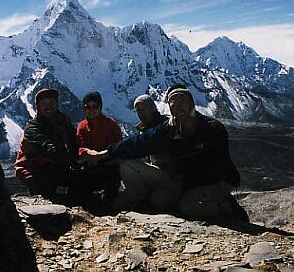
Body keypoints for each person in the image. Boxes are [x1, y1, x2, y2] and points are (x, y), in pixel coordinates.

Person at [81, 85, 248, 221]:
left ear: (192, 104)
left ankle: (227, 206)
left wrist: (184, 181)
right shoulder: (170, 128)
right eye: (172, 103)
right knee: (160, 200)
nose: (176, 106)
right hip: (182, 180)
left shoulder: (213, 128)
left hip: (215, 181)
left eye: (181, 101)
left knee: (187, 206)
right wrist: (103, 154)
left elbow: (219, 166)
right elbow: (138, 143)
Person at [14, 88, 78, 199]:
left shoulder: (63, 121)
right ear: (38, 107)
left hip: (56, 166)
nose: (48, 106)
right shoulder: (32, 128)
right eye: (44, 103)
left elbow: (74, 142)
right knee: (53, 193)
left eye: (51, 102)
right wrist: (72, 159)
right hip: (32, 171)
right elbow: (48, 150)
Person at [74, 91, 123, 206]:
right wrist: (88, 153)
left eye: (95, 106)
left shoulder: (110, 124)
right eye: (87, 107)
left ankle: (107, 203)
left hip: (108, 164)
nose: (91, 110)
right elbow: (79, 146)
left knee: (112, 175)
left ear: (100, 107)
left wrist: (99, 157)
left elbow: (117, 147)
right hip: (88, 164)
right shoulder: (82, 126)